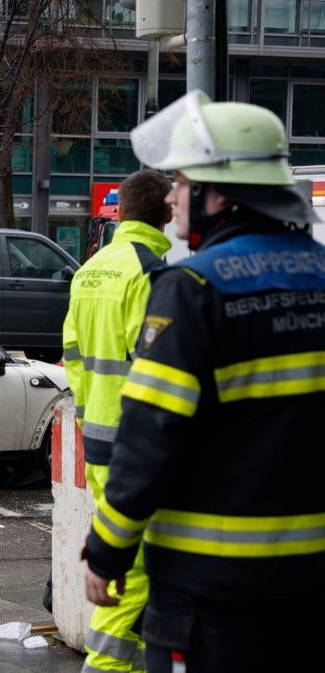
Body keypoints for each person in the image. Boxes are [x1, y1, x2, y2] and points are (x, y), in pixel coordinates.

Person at [83, 91, 325, 672]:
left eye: (184, 182)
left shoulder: (192, 287)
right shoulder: (320, 277)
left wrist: (107, 552)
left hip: (210, 588)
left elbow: (149, 437)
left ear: (222, 196)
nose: (172, 197)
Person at [63, 169, 172, 673]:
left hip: (99, 438)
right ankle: (104, 667)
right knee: (139, 570)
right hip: (135, 448)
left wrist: (91, 415)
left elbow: (72, 355)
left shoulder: (90, 269)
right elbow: (156, 374)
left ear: (120, 212)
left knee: (119, 559)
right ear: (166, 215)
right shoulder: (150, 273)